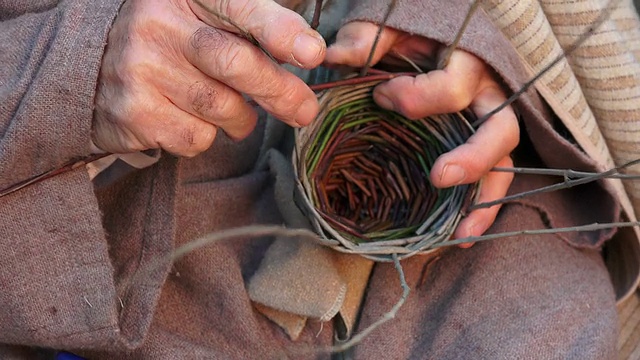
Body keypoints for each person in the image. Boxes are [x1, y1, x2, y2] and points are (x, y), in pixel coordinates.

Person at [0, 0, 638, 358]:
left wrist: (442, 33)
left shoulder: (541, 308)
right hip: (101, 228)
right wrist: (78, 66)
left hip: (474, 199)